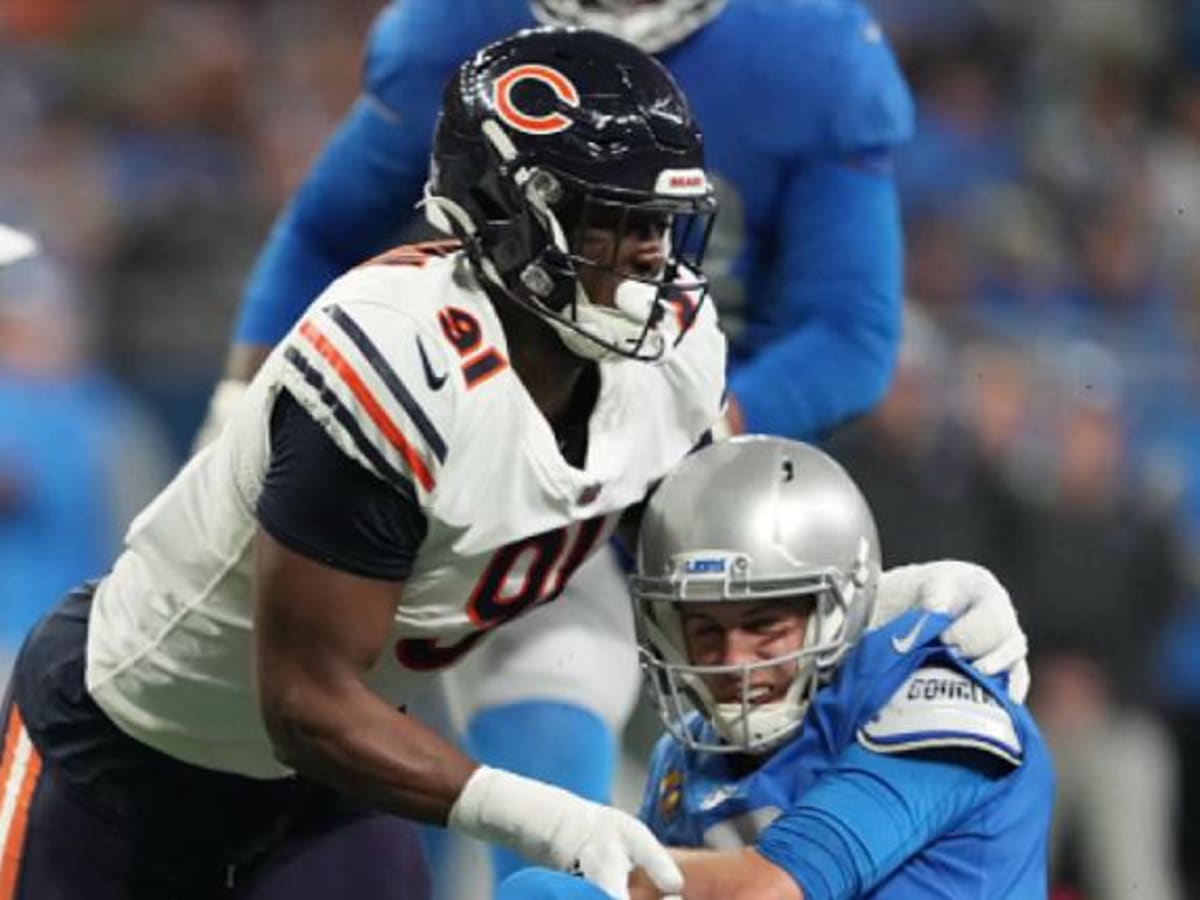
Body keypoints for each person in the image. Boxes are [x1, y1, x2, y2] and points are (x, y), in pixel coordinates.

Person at [198, 3, 1014, 888]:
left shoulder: (804, 49)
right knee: (466, 730)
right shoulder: (458, 28)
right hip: (486, 417)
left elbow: (851, 333)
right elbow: (325, 229)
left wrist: (688, 449)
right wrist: (235, 402)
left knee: (666, 750)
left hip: (684, 442)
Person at [0, 28, 729, 899]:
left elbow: (713, 555)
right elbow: (303, 701)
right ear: (501, 210)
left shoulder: (675, 354)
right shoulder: (397, 359)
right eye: (610, 220)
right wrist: (548, 816)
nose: (650, 254)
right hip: (127, 757)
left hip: (326, 786)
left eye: (657, 221)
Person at [496, 436, 1054, 899]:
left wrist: (616, 872)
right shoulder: (689, 752)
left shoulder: (932, 696)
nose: (735, 662)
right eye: (707, 631)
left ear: (839, 609)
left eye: (765, 626)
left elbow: (773, 888)